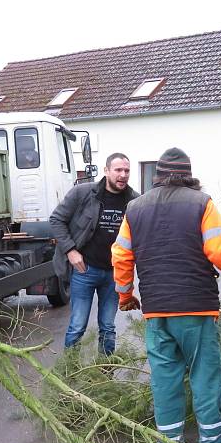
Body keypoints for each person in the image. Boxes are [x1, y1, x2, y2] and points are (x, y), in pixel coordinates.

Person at [111, 148, 221, 443]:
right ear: (188, 175)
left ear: (156, 176)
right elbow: (220, 252)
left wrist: (124, 295)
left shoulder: (135, 208)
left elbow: (120, 255)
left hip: (156, 311)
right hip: (195, 308)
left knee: (164, 378)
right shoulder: (202, 203)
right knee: (205, 375)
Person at [50, 152, 139, 355]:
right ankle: (69, 370)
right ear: (106, 171)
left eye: (126, 170)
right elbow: (56, 220)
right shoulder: (82, 193)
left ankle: (105, 373)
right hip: (85, 271)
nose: (123, 175)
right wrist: (71, 251)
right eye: (118, 170)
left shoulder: (135, 201)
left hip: (115, 274)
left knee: (108, 327)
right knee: (77, 325)